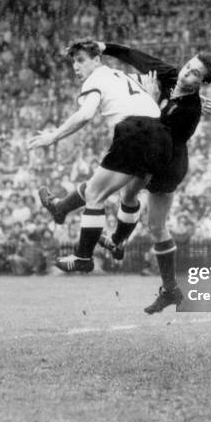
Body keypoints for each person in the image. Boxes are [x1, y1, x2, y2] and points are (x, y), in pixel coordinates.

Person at [28, 40, 171, 273]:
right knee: (127, 193)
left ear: (97, 60)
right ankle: (111, 238)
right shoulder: (124, 76)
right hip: (162, 137)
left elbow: (85, 114)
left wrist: (53, 136)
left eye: (81, 60)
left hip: (136, 131)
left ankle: (83, 257)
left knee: (95, 194)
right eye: (73, 61)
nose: (76, 66)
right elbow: (154, 97)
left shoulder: (95, 79)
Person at [96, 42, 211, 314]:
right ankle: (170, 290)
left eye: (195, 73)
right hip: (152, 152)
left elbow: (158, 136)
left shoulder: (190, 111)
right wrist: (105, 47)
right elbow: (138, 57)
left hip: (167, 163)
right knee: (151, 221)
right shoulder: (172, 75)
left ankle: (117, 242)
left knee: (137, 205)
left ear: (202, 82)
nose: (186, 73)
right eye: (188, 66)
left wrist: (151, 100)